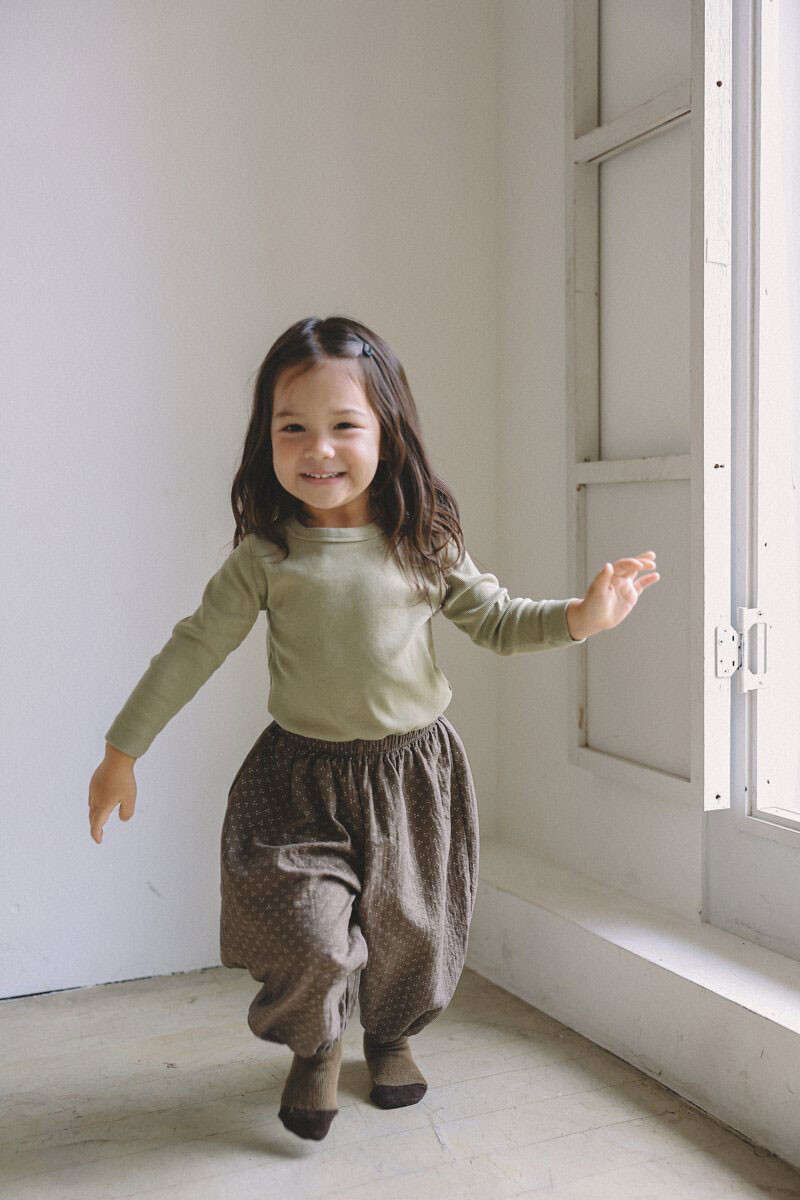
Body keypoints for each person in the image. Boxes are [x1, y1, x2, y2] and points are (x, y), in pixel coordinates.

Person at [88, 314, 659, 1142]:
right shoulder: (267, 557)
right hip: (299, 778)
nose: (318, 449)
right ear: (265, 440)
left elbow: (499, 621)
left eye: (344, 426)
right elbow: (194, 648)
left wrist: (581, 615)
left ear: (387, 434)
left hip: (412, 774)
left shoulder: (422, 543)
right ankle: (316, 1043)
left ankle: (389, 1037)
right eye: (293, 428)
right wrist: (123, 749)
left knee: (411, 932)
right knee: (309, 933)